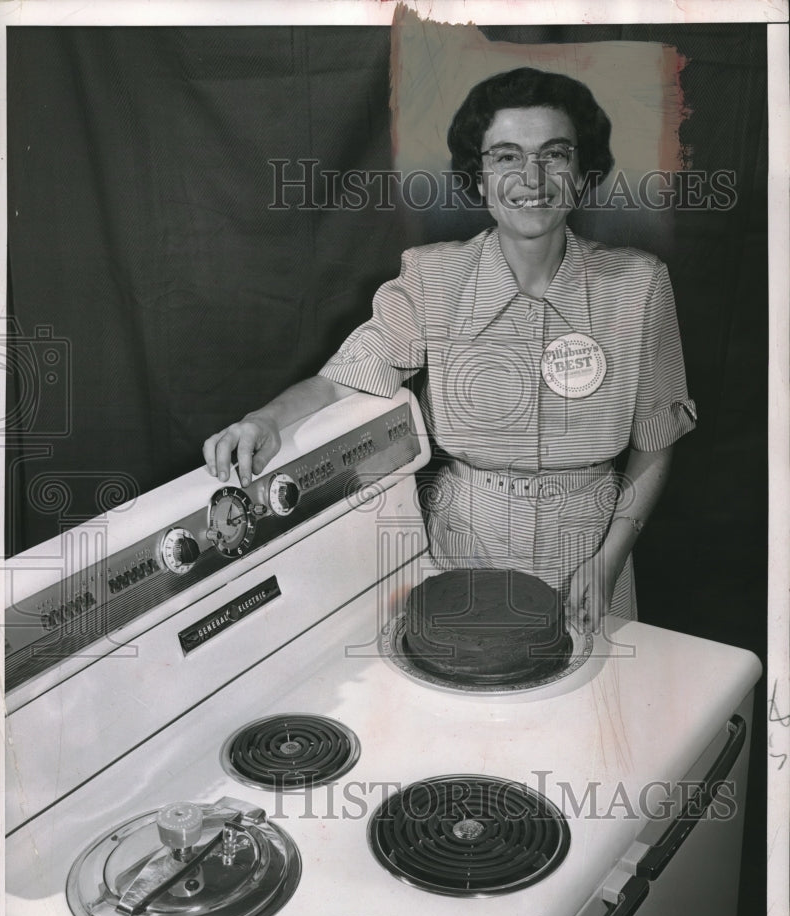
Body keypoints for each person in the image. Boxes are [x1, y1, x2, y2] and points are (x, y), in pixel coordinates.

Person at [203, 67, 696, 634]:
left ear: (581, 174)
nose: (532, 177)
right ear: (479, 178)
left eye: (554, 154)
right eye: (506, 157)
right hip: (462, 557)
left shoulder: (640, 286)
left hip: (590, 563)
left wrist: (606, 565)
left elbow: (654, 447)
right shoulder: (430, 278)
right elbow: (345, 380)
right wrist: (265, 419)